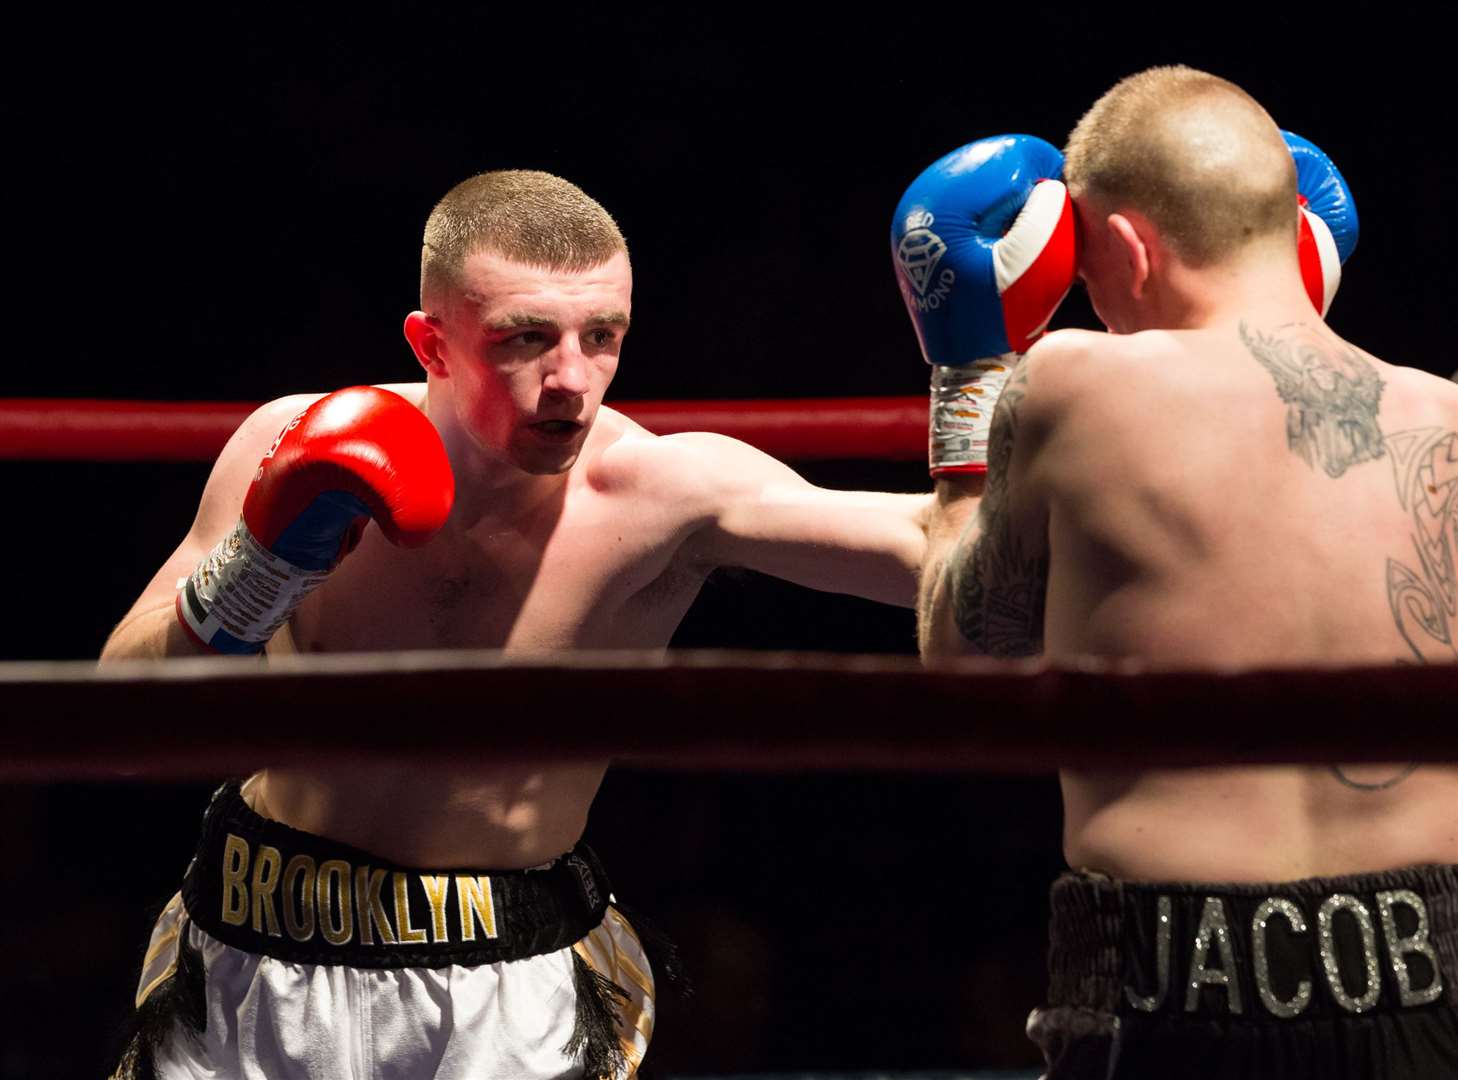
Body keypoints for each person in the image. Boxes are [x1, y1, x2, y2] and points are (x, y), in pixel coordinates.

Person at [103, 169, 931, 1080]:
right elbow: (120, 718)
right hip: (252, 944)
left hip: (506, 983)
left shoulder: (663, 496)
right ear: (433, 343)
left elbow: (938, 562)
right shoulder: (293, 438)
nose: (572, 379)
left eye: (602, 336)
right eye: (525, 338)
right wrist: (259, 568)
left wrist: (975, 378)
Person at [905, 68, 1458, 1077]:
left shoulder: (1076, 381)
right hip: (1432, 975)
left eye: (1087, 272)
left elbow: (965, 651)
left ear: (1123, 247)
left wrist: (968, 386)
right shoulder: (1444, 415)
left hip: (1171, 983)